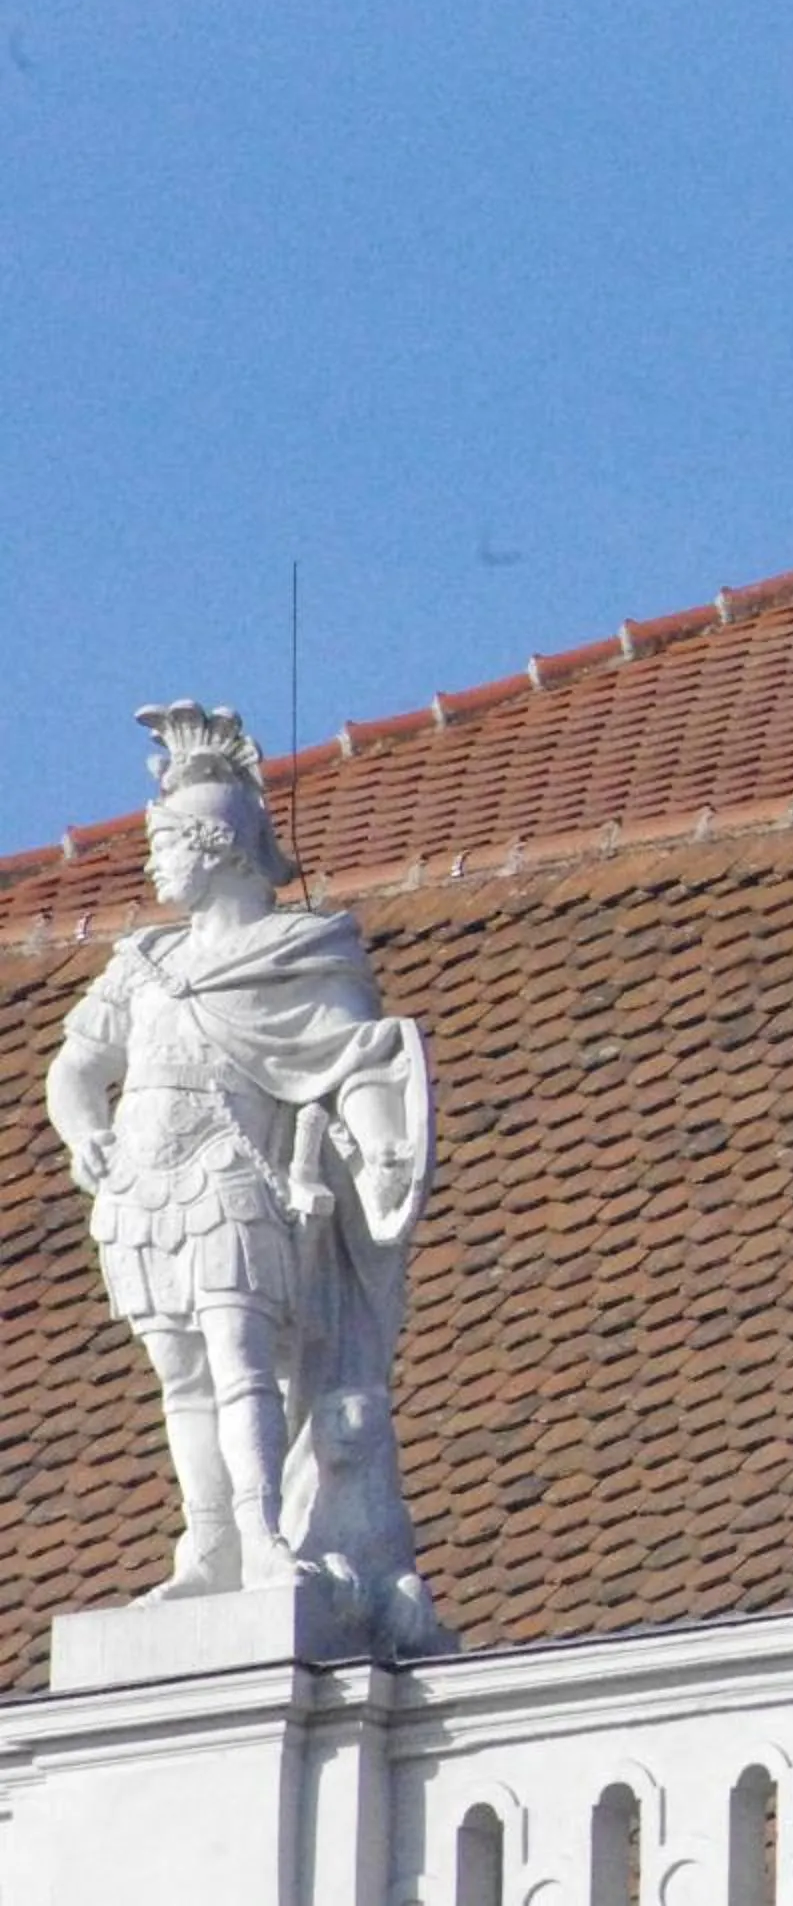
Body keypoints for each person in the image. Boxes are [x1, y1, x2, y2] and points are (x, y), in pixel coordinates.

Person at [48, 703, 442, 1646]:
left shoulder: (301, 953)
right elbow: (75, 1064)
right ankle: (209, 1547)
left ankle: (264, 1534)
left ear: (218, 846)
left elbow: (354, 1061)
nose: (151, 863)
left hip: (235, 1179)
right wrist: (83, 1132)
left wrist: (378, 1144)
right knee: (182, 1372)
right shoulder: (140, 962)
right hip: (145, 1190)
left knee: (241, 1361)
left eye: (167, 843)